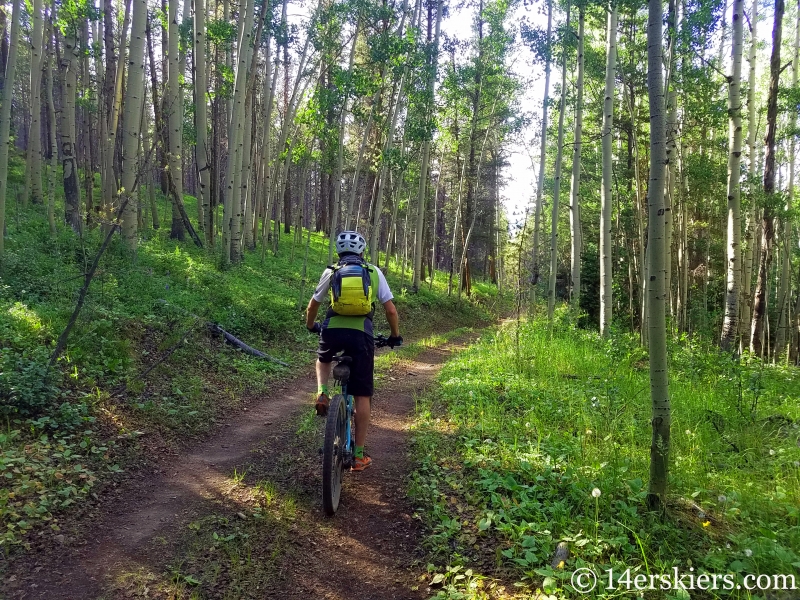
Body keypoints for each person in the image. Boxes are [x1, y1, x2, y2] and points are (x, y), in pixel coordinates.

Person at [305, 230, 402, 472]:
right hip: (362, 334)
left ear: (339, 251)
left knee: (323, 357)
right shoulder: (373, 272)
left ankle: (322, 392)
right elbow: (390, 310)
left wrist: (311, 325)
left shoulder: (332, 271)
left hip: (332, 330)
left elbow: (313, 305)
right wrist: (394, 336)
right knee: (362, 395)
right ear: (361, 251)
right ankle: (358, 456)